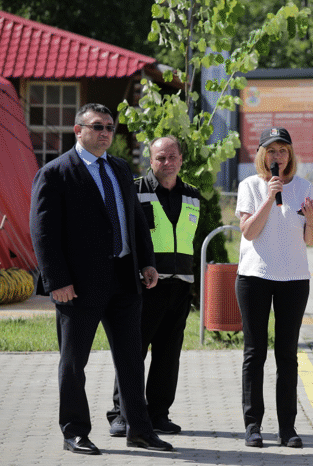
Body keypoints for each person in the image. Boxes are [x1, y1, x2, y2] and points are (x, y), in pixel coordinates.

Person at [30, 103, 174, 455]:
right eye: (97, 126)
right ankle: (74, 431)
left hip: (125, 279)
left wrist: (147, 262)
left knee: (130, 359)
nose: (106, 133)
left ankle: (139, 429)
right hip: (77, 286)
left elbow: (134, 219)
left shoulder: (120, 168)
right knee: (74, 361)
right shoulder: (56, 173)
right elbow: (43, 232)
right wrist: (56, 280)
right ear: (78, 130)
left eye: (110, 126)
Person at [107, 136, 200, 436]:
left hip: (180, 287)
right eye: (160, 157)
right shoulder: (134, 191)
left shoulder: (193, 196)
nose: (167, 162)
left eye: (172, 156)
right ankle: (121, 414)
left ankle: (159, 414)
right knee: (133, 352)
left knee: (167, 355)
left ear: (181, 159)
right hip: (145, 287)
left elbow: (195, 242)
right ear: (151, 160)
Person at [235, 127, 313, 448]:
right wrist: (270, 197)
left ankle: (287, 428)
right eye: (271, 151)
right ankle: (253, 425)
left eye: (283, 151)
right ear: (262, 155)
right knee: (254, 353)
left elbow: (310, 239)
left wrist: (312, 220)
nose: (277, 157)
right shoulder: (251, 186)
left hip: (295, 280)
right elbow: (249, 232)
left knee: (287, 355)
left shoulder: (303, 186)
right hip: (255, 278)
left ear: (290, 155)